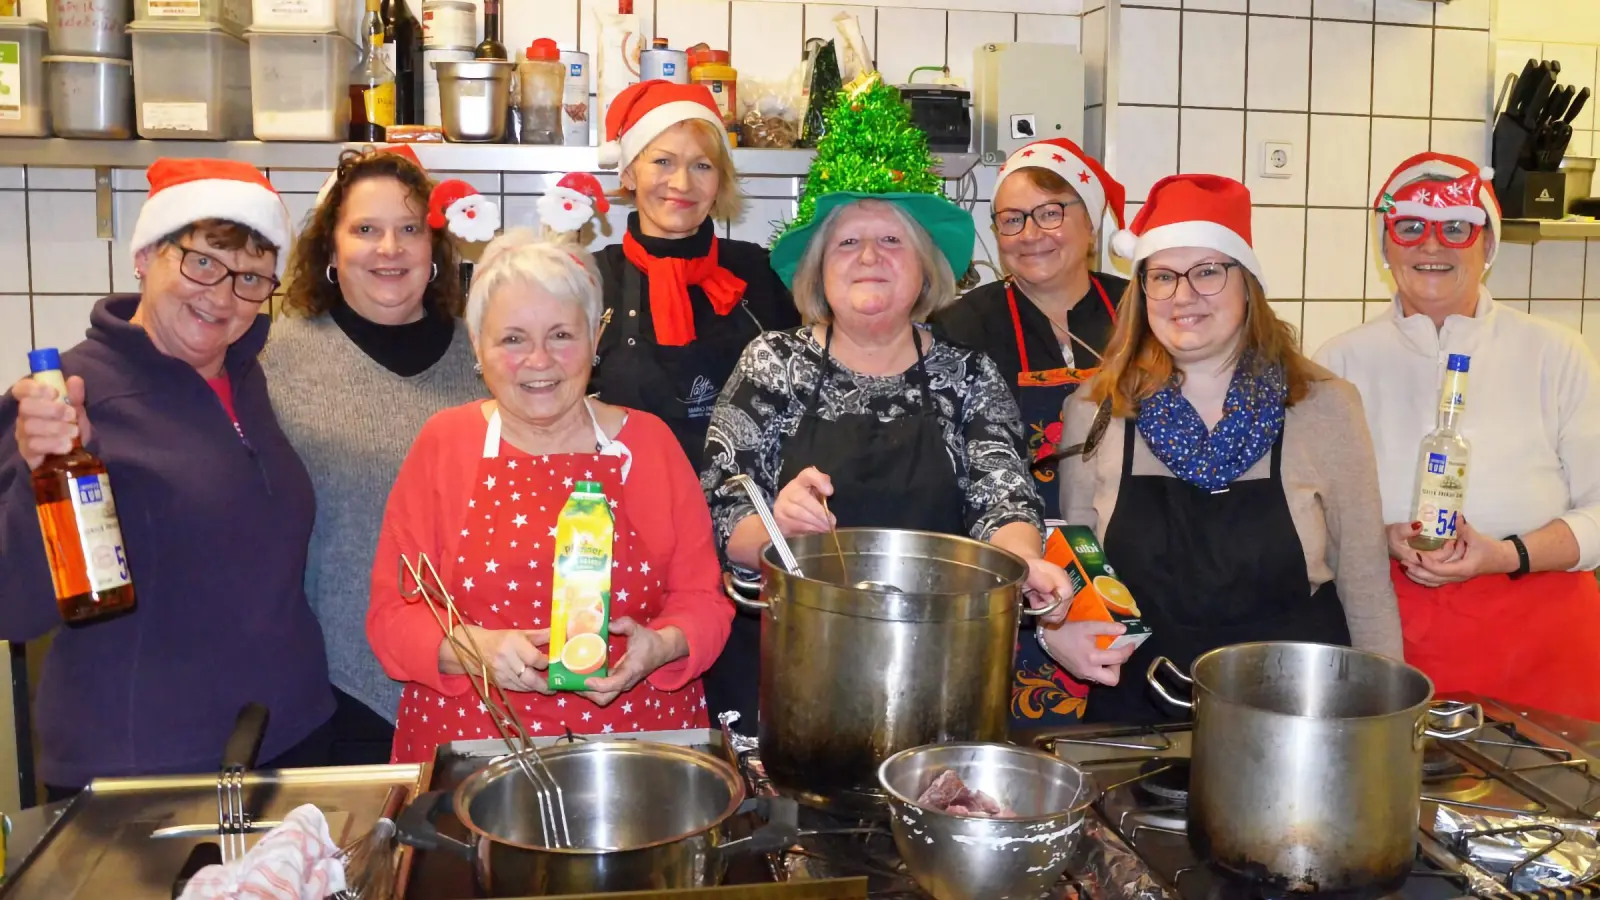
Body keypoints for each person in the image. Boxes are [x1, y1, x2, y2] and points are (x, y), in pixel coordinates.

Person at [702, 116, 1076, 734]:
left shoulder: (969, 375)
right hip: (790, 669)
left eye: (892, 242)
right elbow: (722, 505)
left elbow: (1003, 496)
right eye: (848, 244)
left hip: (936, 666)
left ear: (925, 270)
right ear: (819, 270)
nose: (870, 257)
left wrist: (1022, 563)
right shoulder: (773, 363)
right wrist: (775, 527)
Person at [0, 159, 334, 797]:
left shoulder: (247, 377)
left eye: (251, 279)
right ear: (147, 255)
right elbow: (14, 607)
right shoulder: (66, 399)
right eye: (202, 262)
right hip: (144, 772)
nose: (221, 296)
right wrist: (41, 478)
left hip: (289, 741)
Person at [366, 222, 734, 764]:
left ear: (594, 338)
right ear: (478, 346)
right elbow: (392, 617)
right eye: (513, 339)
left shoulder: (649, 444)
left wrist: (662, 646)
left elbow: (704, 602)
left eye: (561, 335)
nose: (539, 361)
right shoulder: (445, 445)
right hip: (474, 746)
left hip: (640, 749)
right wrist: (475, 650)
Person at [1049, 174, 1403, 725]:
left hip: (1296, 711)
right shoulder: (1095, 410)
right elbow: (1076, 559)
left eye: (1208, 271)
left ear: (1248, 284)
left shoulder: (1324, 407)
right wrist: (1059, 630)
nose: (1183, 295)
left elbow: (1364, 580)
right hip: (1140, 710)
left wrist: (1387, 724)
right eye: (1162, 277)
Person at [1316, 152, 1600, 720]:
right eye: (1411, 226)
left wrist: (1504, 554)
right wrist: (1378, 534)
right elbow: (1309, 515)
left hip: (1542, 639)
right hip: (1389, 633)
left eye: (1456, 228)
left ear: (1487, 246)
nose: (1432, 245)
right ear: (1386, 244)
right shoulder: (1339, 362)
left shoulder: (1557, 353)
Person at [262, 146, 483, 765]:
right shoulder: (275, 360)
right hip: (335, 687)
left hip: (480, 678)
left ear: (436, 248)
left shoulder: (488, 358)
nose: (390, 249)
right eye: (366, 229)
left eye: (410, 229)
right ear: (330, 248)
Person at [591, 79, 799, 724]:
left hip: (747, 547)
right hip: (628, 542)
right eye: (662, 159)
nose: (682, 181)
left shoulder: (760, 275)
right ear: (628, 171)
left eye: (702, 164)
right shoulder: (590, 278)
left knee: (751, 727)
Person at [933, 138, 1129, 727]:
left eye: (1051, 212)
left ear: (1089, 222)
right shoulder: (961, 323)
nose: (1030, 233)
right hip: (1012, 568)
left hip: (1130, 555)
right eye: (1011, 219)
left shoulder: (1140, 313)